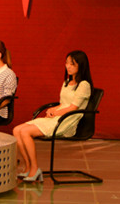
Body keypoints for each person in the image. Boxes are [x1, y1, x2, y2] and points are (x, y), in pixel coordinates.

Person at [13, 50, 93, 182]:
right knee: (17, 130)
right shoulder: (67, 82)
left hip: (67, 121)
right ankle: (28, 167)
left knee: (25, 132)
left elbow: (73, 108)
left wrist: (56, 113)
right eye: (67, 63)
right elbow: (63, 104)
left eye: (72, 64)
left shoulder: (84, 85)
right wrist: (52, 109)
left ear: (81, 65)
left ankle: (35, 169)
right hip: (59, 116)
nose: (68, 66)